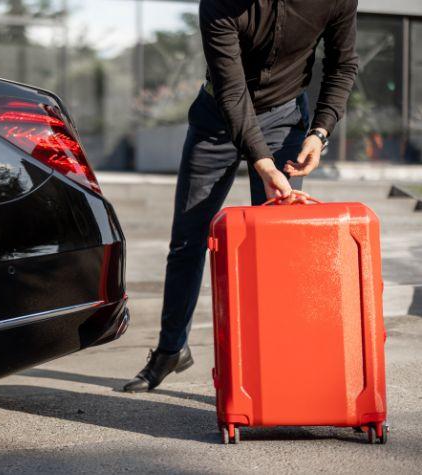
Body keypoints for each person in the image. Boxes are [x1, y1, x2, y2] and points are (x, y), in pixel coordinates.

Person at [123, 0, 359, 392]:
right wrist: (262, 164)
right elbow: (232, 93)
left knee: (276, 249)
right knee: (188, 239)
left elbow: (342, 65)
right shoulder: (220, 3)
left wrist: (320, 132)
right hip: (217, 117)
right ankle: (171, 349)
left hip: (285, 120)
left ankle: (273, 367)